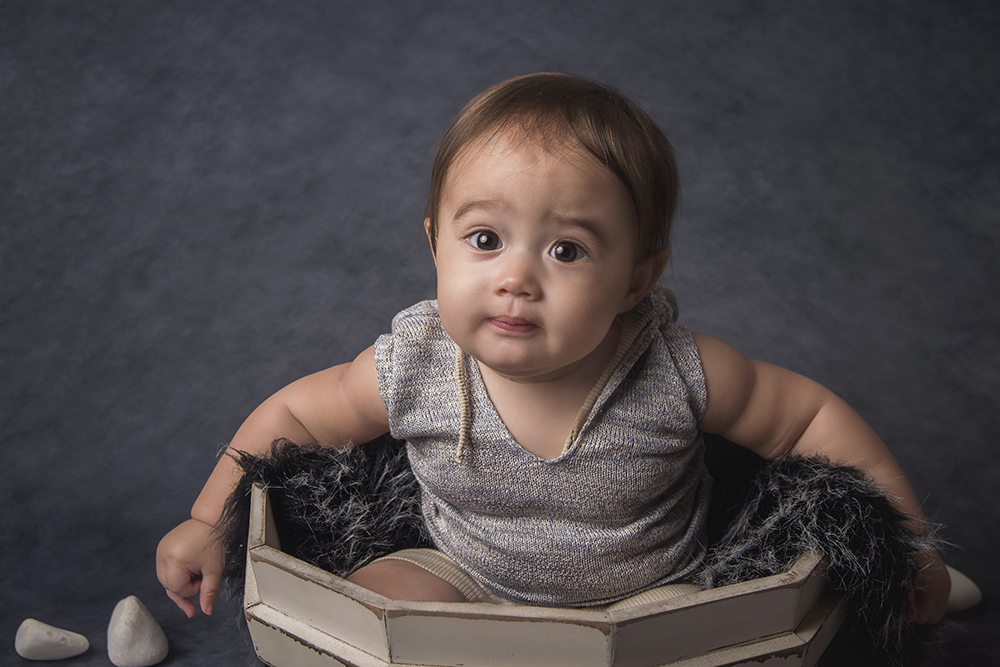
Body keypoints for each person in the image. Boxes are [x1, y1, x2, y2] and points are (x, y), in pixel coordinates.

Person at [157, 72, 950, 622]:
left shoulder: (674, 369)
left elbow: (808, 418)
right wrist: (206, 518)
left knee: (699, 636)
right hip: (463, 573)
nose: (516, 278)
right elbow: (298, 410)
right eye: (484, 238)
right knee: (377, 604)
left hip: (646, 591)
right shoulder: (420, 363)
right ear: (436, 244)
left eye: (567, 250)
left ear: (638, 278)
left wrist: (908, 545)